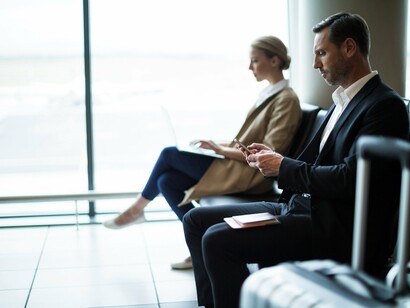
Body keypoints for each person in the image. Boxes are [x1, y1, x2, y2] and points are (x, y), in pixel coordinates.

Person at [183, 12, 410, 308]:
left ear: (350, 48)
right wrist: (274, 160)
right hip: (300, 206)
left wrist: (283, 167)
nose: (316, 63)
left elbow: (350, 179)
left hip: (331, 224)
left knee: (216, 240)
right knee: (195, 220)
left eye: (321, 53)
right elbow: (317, 164)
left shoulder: (384, 106)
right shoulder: (342, 101)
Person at [103, 36, 302, 270]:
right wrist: (217, 145)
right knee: (167, 181)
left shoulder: (286, 100)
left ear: (275, 60)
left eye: (255, 61)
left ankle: (136, 209)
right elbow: (250, 141)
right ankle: (198, 246)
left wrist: (221, 150)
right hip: (237, 165)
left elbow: (270, 152)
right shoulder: (270, 94)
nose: (250, 67)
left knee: (169, 155)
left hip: (251, 175)